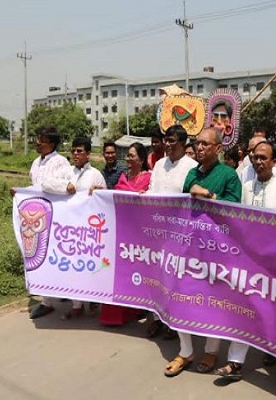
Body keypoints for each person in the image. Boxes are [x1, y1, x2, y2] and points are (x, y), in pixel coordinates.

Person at [214, 141, 276, 381]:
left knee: (271, 310)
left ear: (274, 162)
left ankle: (272, 348)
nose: (258, 162)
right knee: (244, 309)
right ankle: (235, 362)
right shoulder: (246, 187)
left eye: (263, 158)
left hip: (273, 262)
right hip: (246, 259)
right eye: (255, 157)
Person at [164, 127, 241, 377]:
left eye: (205, 144)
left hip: (216, 250)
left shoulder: (229, 175)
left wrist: (208, 194)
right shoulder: (192, 173)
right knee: (179, 294)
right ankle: (186, 350)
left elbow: (235, 208)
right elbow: (187, 194)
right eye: (197, 143)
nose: (199, 147)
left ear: (218, 148)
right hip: (188, 245)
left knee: (212, 300)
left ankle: (211, 350)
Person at [41, 137, 107, 319]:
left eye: (80, 151)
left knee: (90, 266)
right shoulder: (66, 172)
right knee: (72, 267)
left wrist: (100, 191)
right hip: (69, 230)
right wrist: (65, 186)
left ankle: (94, 299)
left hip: (89, 230)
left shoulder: (95, 174)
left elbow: (105, 201)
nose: (76, 154)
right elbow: (46, 183)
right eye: (73, 151)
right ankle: (77, 305)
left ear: (88, 154)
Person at [145, 125, 198, 338]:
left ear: (183, 143)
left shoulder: (192, 167)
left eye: (172, 140)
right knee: (157, 275)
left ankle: (174, 321)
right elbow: (152, 191)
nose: (167, 144)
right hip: (157, 231)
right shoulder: (159, 165)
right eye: (166, 140)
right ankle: (157, 318)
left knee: (176, 277)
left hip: (180, 232)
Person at [99, 142, 151, 326]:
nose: (128, 159)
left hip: (139, 234)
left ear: (141, 159)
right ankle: (114, 315)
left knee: (136, 272)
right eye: (128, 155)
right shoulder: (123, 176)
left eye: (132, 155)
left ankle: (136, 309)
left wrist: (146, 196)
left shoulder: (148, 179)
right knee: (118, 273)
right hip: (120, 231)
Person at [25, 126, 72, 320]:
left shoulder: (60, 162)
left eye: (41, 140)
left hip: (56, 216)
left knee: (59, 255)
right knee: (41, 255)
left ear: (51, 143)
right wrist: (21, 192)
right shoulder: (36, 163)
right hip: (37, 216)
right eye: (37, 139)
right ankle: (46, 300)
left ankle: (65, 291)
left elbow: (67, 187)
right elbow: (35, 186)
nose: (37, 143)